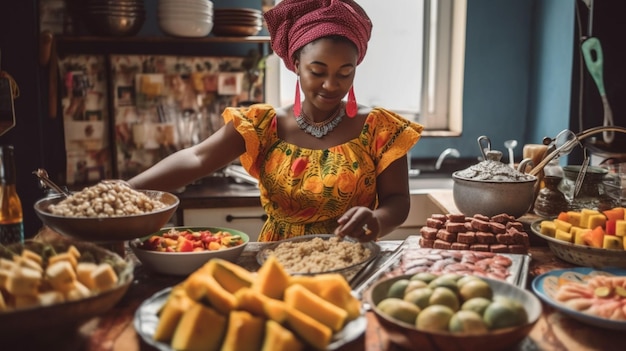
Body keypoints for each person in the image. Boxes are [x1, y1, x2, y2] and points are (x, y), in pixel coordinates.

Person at [128, 0, 424, 242]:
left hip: (351, 261)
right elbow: (196, 158)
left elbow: (397, 201)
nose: (331, 85)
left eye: (344, 73)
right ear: (296, 65)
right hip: (277, 264)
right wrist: (123, 190)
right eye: (318, 71)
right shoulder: (262, 125)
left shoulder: (380, 129)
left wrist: (377, 220)